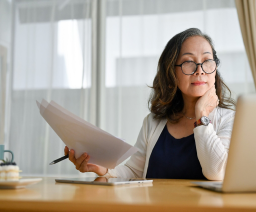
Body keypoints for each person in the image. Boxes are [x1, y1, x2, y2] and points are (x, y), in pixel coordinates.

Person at [64, 28, 235, 180]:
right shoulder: (152, 122)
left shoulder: (229, 119)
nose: (200, 69)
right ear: (171, 72)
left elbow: (217, 172)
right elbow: (134, 171)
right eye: (188, 62)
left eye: (207, 61)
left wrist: (202, 116)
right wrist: (104, 169)